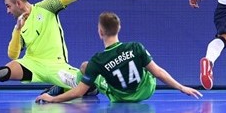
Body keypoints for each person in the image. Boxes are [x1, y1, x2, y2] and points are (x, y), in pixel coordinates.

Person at [35, 12, 203, 103]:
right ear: (119, 28)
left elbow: (78, 92)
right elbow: (159, 72)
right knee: (148, 67)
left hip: (121, 98)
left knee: (85, 67)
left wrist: (53, 99)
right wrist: (182, 88)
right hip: (145, 91)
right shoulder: (136, 47)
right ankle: (90, 87)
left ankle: (72, 86)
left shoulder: (98, 60)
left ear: (100, 32)